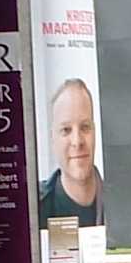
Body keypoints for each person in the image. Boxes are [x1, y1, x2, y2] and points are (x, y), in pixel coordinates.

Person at [36, 78, 104, 228]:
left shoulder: (122, 204)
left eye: (85, 127)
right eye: (66, 130)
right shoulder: (34, 211)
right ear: (53, 138)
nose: (77, 141)